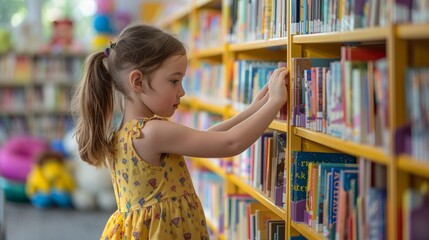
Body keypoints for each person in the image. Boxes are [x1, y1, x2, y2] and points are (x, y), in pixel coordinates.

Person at [71, 23, 288, 240]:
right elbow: (230, 143)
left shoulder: (126, 134)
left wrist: (253, 110)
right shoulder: (153, 131)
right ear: (138, 82)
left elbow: (207, 137)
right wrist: (276, 101)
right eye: (174, 81)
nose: (182, 91)